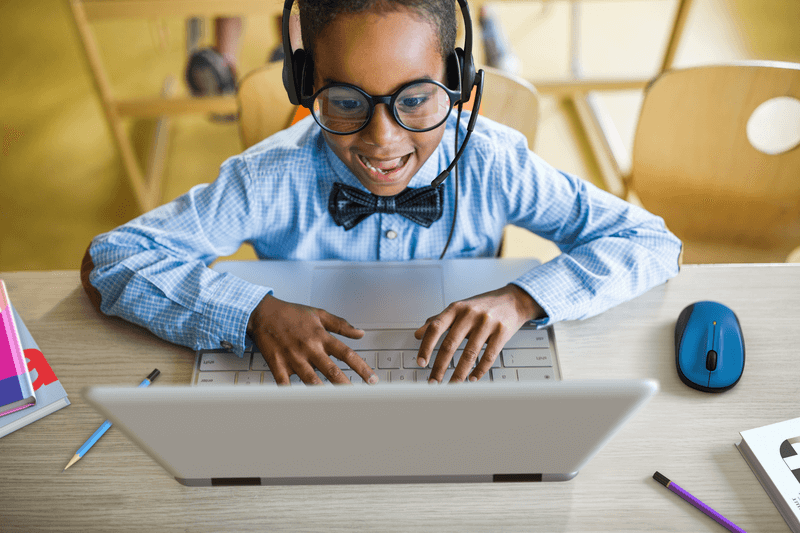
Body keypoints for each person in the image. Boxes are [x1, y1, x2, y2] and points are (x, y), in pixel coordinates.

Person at [81, 0, 682, 387]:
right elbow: (110, 258)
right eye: (345, 101)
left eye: (416, 99)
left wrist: (522, 299)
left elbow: (650, 241)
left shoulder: (494, 163)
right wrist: (252, 312)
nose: (382, 138)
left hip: (455, 385)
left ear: (458, 83)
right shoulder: (268, 177)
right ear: (303, 84)